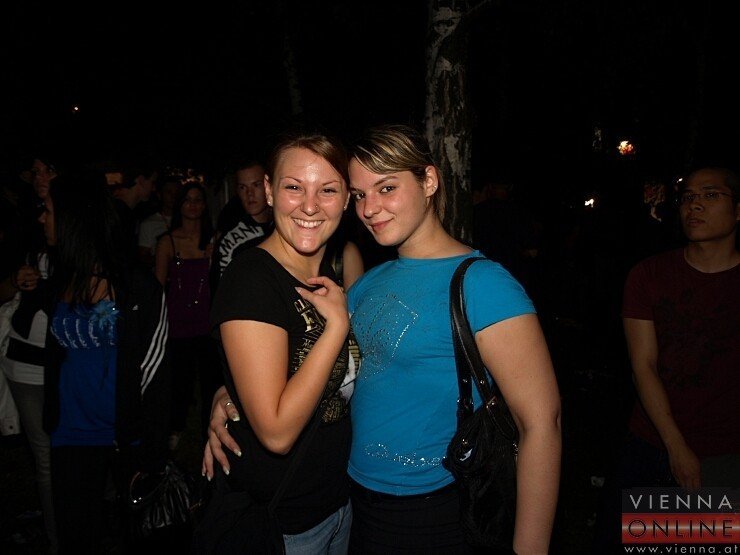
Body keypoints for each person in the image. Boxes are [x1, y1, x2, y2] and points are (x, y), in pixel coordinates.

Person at [205, 124, 562, 554]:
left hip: (436, 510)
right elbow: (334, 369)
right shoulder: (364, 286)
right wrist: (233, 392)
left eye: (387, 188)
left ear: (429, 181)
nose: (370, 208)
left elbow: (542, 423)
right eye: (359, 194)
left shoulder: (483, 284)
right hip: (355, 505)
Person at [204, 132, 358, 553]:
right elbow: (275, 432)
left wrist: (228, 391)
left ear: (346, 199)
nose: (310, 206)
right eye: (294, 187)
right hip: (286, 523)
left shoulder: (329, 275)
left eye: (328, 190)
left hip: (339, 503)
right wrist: (336, 328)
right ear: (270, 191)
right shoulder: (252, 280)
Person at [591, 166, 740, 553]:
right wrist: (676, 447)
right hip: (653, 441)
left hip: (722, 452)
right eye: (688, 197)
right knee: (631, 541)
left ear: (738, 210)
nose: (695, 205)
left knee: (692, 540)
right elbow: (643, 366)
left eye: (711, 195)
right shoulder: (650, 275)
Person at [41, 173, 170, 554]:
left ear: (73, 220)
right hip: (70, 434)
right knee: (77, 538)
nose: (42, 218)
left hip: (124, 438)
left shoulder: (137, 287)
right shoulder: (62, 276)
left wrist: (151, 452)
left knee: (136, 538)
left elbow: (156, 372)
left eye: (48, 211)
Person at [154, 182, 217, 447]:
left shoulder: (214, 239)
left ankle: (210, 433)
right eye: (187, 200)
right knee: (180, 381)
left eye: (197, 199)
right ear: (179, 204)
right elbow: (157, 288)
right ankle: (175, 431)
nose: (192, 205)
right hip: (178, 323)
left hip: (208, 321)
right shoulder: (167, 241)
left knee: (211, 383)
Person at [210, 159, 274, 294]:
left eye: (256, 185)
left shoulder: (284, 228)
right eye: (243, 187)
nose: (249, 194)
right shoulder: (232, 241)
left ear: (268, 186)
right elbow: (222, 293)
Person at [138, 176, 179, 267]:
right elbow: (143, 257)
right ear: (160, 195)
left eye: (177, 193)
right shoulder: (148, 224)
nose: (173, 197)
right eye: (169, 192)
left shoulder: (188, 221)